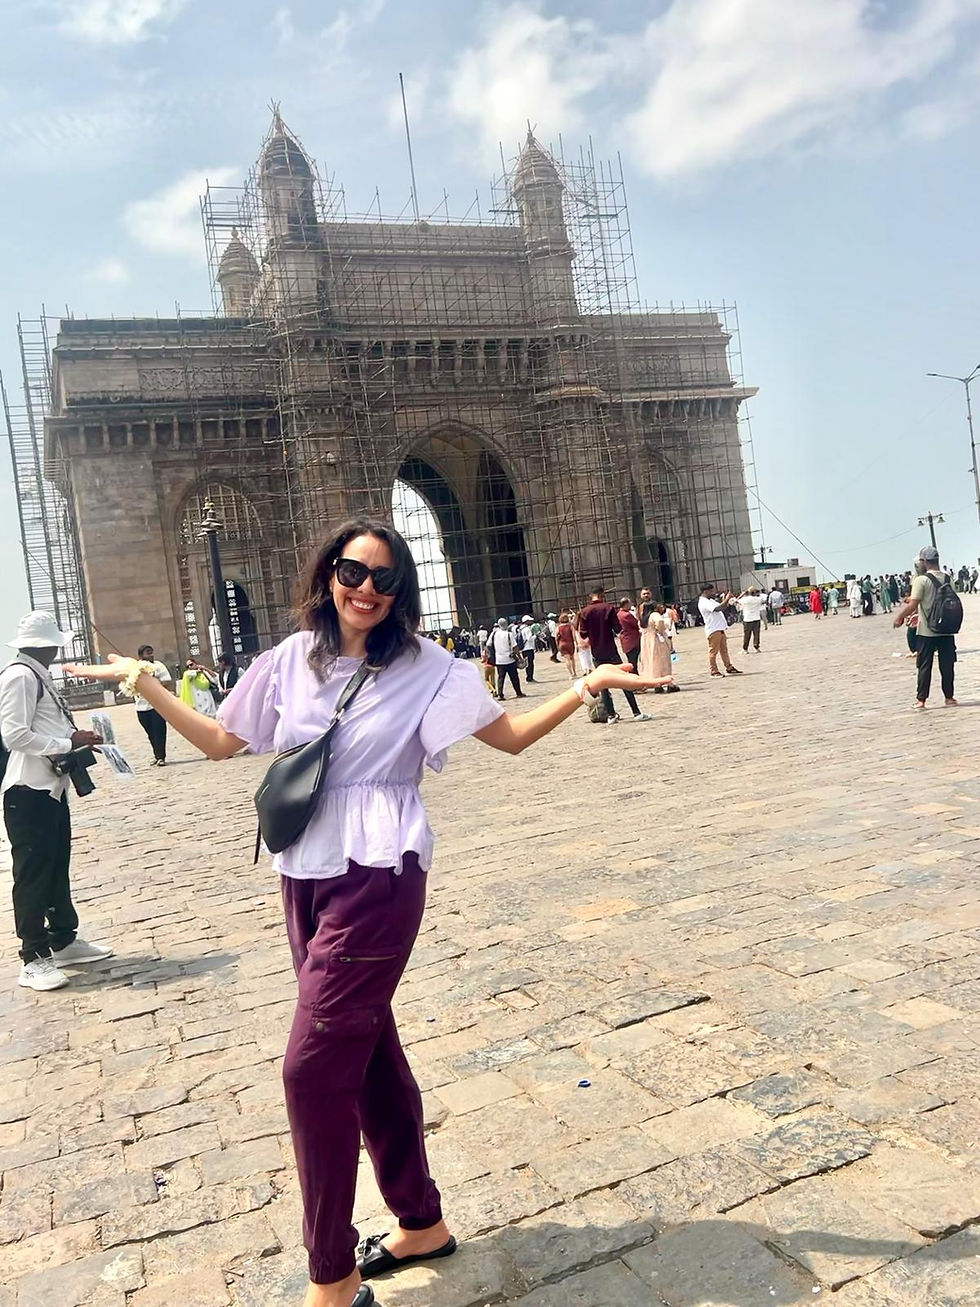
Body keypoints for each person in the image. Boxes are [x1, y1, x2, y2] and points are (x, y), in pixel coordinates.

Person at [66, 518, 664, 1307]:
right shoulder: (289, 660)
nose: (367, 590)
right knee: (367, 1047)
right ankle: (420, 1219)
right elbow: (221, 741)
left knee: (311, 1068)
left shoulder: (430, 668)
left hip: (379, 876)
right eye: (354, 570)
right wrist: (142, 678)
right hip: (304, 872)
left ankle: (333, 1276)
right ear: (329, 572)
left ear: (403, 591)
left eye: (386, 579)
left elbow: (510, 736)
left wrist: (590, 683)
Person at [1, 611, 112, 992]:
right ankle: (32, 957)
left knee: (55, 867)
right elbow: (14, 734)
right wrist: (66, 744)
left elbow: (43, 725)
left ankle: (63, 939)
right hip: (27, 791)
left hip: (50, 787)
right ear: (45, 644)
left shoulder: (35, 675)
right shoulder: (19, 676)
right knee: (32, 874)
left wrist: (74, 736)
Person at [892, 545, 958, 709]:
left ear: (924, 561)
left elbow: (914, 604)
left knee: (924, 665)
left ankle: (921, 700)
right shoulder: (948, 578)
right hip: (947, 629)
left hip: (927, 631)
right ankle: (949, 697)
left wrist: (900, 617)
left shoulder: (921, 580)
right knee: (947, 664)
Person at [577, 587, 652, 723]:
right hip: (611, 651)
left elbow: (583, 633)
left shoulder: (585, 612)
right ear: (602, 595)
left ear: (591, 596)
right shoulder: (609, 608)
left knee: (603, 684)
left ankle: (611, 715)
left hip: (597, 653)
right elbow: (618, 629)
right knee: (624, 681)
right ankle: (636, 712)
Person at [133, 643, 173, 766]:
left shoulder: (158, 666)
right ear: (141, 656)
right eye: (147, 653)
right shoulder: (135, 668)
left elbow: (167, 681)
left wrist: (154, 681)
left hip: (157, 705)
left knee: (159, 731)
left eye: (151, 652)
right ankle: (156, 755)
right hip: (141, 706)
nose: (151, 655)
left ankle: (161, 757)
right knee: (150, 733)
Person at [698, 584, 742, 678]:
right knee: (713, 652)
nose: (713, 593)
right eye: (711, 591)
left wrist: (726, 600)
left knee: (724, 651)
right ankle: (714, 670)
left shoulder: (710, 600)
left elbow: (722, 607)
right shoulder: (704, 602)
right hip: (713, 629)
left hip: (720, 628)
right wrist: (727, 598)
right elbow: (718, 609)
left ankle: (729, 667)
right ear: (705, 591)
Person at [639, 602, 680, 692]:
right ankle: (669, 683)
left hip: (646, 640)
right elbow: (660, 621)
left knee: (652, 662)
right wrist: (660, 630)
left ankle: (657, 684)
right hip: (656, 639)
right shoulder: (654, 614)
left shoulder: (643, 618)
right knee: (663, 661)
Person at [487, 618, 524, 701]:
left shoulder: (494, 634)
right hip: (510, 659)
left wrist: (493, 653)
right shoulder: (508, 634)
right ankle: (518, 692)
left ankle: (500, 695)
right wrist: (520, 657)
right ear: (506, 624)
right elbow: (515, 647)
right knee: (514, 677)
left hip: (499, 660)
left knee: (500, 678)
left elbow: (488, 645)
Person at [617, 596, 641, 673]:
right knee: (633, 663)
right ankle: (634, 678)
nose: (630, 605)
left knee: (631, 661)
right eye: (629, 603)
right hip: (632, 641)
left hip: (625, 641)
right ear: (626, 604)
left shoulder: (618, 614)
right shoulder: (627, 615)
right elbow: (636, 624)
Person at [736, 587, 765, 651]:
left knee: (747, 634)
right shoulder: (758, 599)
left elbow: (736, 601)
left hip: (748, 619)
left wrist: (741, 595)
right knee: (756, 633)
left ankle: (745, 648)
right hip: (756, 618)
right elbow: (762, 600)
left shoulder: (745, 599)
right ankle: (756, 646)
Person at [555, 611, 577, 679]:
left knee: (567, 660)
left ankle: (570, 674)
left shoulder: (558, 627)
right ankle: (574, 672)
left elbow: (556, 637)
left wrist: (557, 645)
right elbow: (574, 636)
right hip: (570, 643)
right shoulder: (570, 626)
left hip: (562, 644)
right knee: (572, 658)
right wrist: (576, 643)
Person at [518, 616, 537, 683]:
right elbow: (529, 638)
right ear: (526, 621)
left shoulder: (521, 629)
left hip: (524, 649)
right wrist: (535, 636)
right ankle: (530, 678)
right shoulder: (527, 629)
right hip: (528, 648)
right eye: (529, 620)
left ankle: (528, 677)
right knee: (530, 664)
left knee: (527, 664)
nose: (531, 622)